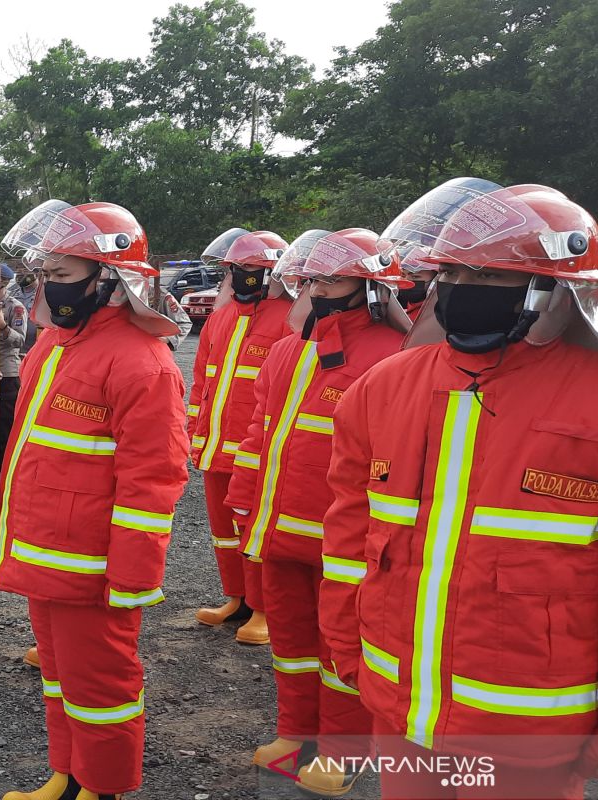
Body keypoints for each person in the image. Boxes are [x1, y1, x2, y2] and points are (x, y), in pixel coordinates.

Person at [321, 180, 598, 800]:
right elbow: (347, 534)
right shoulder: (383, 386)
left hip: (527, 730)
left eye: (493, 278)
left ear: (557, 291)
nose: (465, 291)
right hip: (402, 711)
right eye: (455, 273)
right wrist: (345, 648)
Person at [0, 201, 189, 800]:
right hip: (48, 554)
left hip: (94, 567)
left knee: (100, 686)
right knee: (58, 677)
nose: (49, 286)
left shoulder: (142, 363)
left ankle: (103, 788)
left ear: (112, 279)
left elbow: (153, 482)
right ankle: (67, 775)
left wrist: (132, 579)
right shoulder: (57, 343)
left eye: (64, 274)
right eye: (45, 272)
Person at [224, 228, 410, 796]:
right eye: (312, 278)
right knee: (292, 641)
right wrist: (243, 498)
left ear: (371, 284)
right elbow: (261, 430)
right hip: (279, 530)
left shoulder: (393, 355)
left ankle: (343, 753)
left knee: (341, 650)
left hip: (345, 542)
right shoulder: (288, 349)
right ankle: (295, 732)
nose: (318, 288)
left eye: (332, 278)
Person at [187, 229, 292, 646]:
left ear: (272, 273)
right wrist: (195, 433)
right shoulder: (221, 316)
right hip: (215, 447)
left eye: (248, 269)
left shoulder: (291, 319)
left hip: (258, 453)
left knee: (256, 532)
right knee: (224, 532)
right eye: (234, 268)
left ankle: (265, 610)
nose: (237, 275)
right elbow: (201, 382)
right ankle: (238, 599)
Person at [0, 263, 28, 477]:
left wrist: (3, 326)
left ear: (3, 282)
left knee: (4, 423)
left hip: (7, 370)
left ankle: (2, 466)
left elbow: (19, 340)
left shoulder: (15, 307)